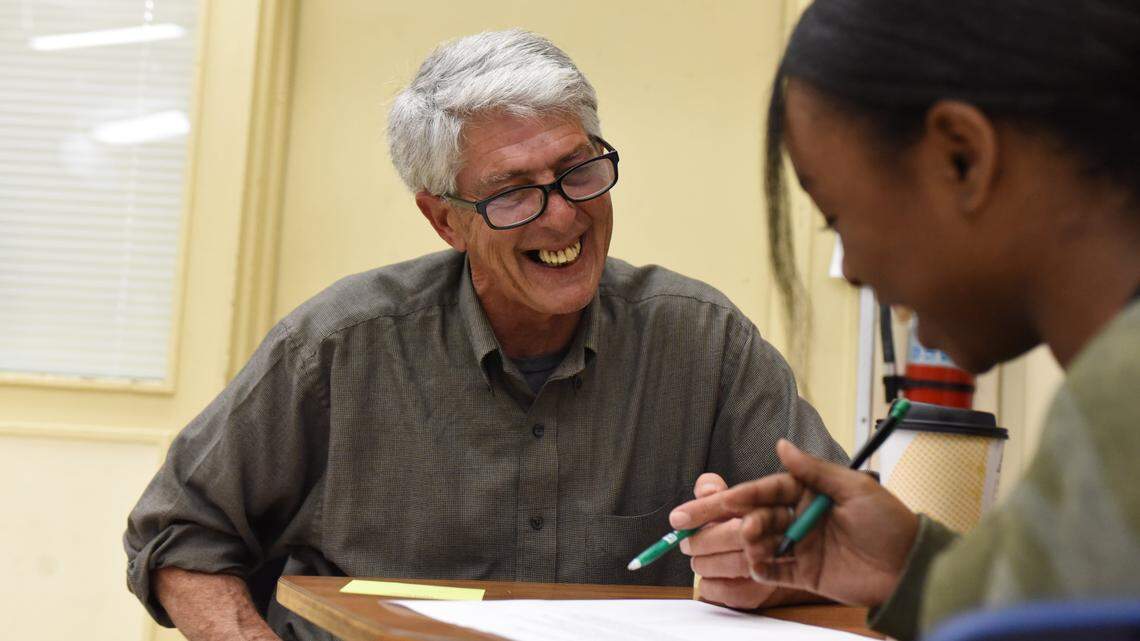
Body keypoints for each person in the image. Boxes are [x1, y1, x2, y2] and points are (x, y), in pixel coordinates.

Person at [123, 30, 846, 641]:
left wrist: (762, 553)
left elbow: (833, 534)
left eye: (577, 171)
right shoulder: (340, 347)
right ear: (444, 221)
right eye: (512, 192)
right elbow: (179, 533)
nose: (562, 216)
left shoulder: (700, 340)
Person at [670, 1, 1140, 639]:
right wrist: (906, 566)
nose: (854, 269)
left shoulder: (1122, 398)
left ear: (962, 159)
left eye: (837, 217)